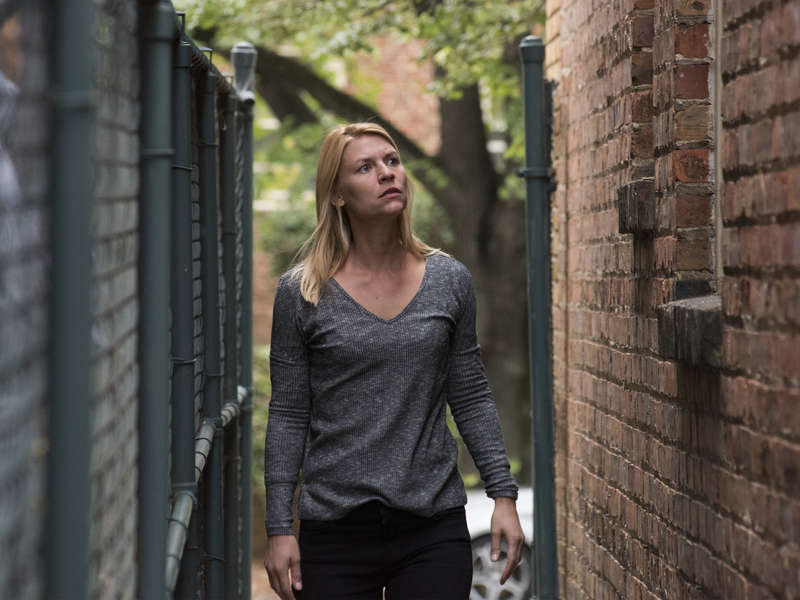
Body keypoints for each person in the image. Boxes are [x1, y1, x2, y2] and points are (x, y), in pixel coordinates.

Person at [264, 122, 524, 600]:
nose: (387, 173)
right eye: (365, 167)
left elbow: (470, 395)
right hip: (335, 529)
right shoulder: (302, 293)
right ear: (337, 194)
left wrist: (503, 496)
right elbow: (288, 413)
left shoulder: (449, 280)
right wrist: (280, 527)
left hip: (431, 525)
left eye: (392, 161)